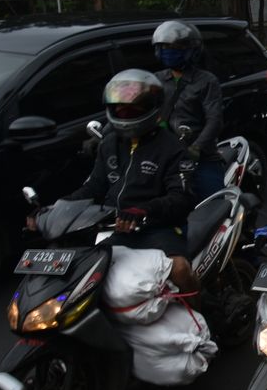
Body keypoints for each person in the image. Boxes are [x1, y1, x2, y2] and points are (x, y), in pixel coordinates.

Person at [49, 69, 198, 295]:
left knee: (179, 269)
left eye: (132, 108)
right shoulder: (109, 144)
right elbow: (94, 187)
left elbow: (182, 198)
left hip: (158, 228)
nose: (123, 111)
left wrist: (143, 210)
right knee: (84, 278)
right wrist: (56, 208)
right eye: (118, 106)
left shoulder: (172, 149)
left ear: (152, 108)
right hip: (114, 227)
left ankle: (201, 316)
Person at [153, 21, 225, 203]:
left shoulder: (207, 81)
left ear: (192, 49)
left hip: (200, 157)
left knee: (215, 206)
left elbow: (214, 120)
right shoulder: (156, 80)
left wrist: (196, 148)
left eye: (176, 47)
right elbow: (133, 111)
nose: (170, 50)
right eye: (165, 47)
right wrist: (107, 133)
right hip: (164, 155)